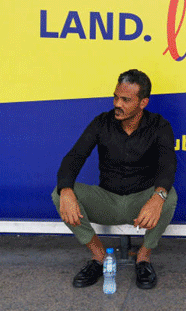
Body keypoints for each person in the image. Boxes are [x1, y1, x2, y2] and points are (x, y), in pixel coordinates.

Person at [52, 69, 177, 290]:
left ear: (143, 102)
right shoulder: (102, 122)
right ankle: (99, 258)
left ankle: (144, 258)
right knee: (60, 192)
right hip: (107, 201)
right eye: (116, 97)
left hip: (141, 204)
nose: (117, 104)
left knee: (168, 195)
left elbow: (168, 165)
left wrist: (157, 198)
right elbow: (74, 157)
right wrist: (67, 190)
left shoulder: (159, 126)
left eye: (126, 100)